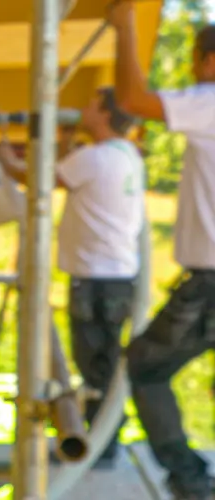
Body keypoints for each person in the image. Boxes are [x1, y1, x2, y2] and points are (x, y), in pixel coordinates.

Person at [0, 87, 145, 469]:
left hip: (94, 276)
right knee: (104, 358)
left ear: (105, 114)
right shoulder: (124, 154)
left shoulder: (93, 158)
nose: (82, 111)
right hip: (115, 274)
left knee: (93, 360)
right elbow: (65, 170)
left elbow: (35, 179)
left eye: (91, 105)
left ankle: (98, 443)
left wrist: (1, 155)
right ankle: (105, 437)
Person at [109, 1, 215, 497]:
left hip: (210, 282)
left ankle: (190, 482)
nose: (194, 72)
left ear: (209, 61)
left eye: (196, 60)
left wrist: (125, 24)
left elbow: (132, 98)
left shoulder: (210, 99)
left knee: (146, 367)